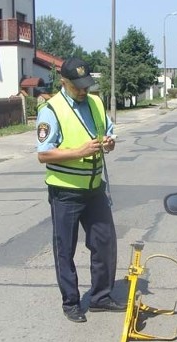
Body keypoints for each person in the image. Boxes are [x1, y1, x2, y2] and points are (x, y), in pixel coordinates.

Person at [36, 57, 125, 323]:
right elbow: (43, 154)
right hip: (66, 192)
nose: (83, 91)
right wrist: (80, 152)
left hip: (95, 188)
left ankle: (100, 297)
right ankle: (71, 302)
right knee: (65, 249)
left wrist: (109, 142)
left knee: (105, 243)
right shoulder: (52, 110)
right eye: (77, 87)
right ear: (64, 82)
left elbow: (109, 132)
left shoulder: (96, 103)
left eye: (86, 85)